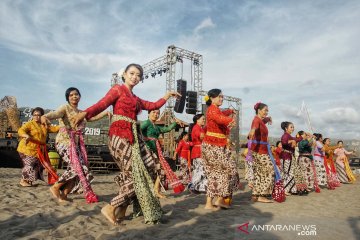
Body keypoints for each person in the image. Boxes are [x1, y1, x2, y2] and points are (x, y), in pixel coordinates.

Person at [73, 63, 180, 225]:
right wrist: (84, 114)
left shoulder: (135, 98)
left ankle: (122, 209)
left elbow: (153, 106)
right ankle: (110, 207)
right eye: (132, 73)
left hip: (134, 138)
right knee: (135, 176)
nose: (135, 77)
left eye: (138, 75)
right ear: (124, 75)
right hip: (119, 136)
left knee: (150, 169)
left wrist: (167, 95)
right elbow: (102, 104)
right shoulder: (118, 89)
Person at [42, 87, 108, 203]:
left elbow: (92, 118)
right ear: (67, 98)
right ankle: (56, 186)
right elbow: (55, 113)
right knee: (76, 168)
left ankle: (64, 194)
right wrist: (45, 116)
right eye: (71, 95)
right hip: (64, 142)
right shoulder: (65, 107)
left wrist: (105, 113)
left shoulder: (81, 113)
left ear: (80, 97)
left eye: (76, 94)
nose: (74, 96)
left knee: (82, 170)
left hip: (76, 145)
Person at [201, 89, 239, 210]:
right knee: (230, 170)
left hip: (215, 146)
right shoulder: (212, 109)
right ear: (212, 98)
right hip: (213, 147)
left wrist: (230, 111)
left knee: (215, 174)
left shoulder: (216, 109)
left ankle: (211, 203)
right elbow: (219, 118)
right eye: (219, 97)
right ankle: (219, 199)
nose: (221, 99)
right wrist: (230, 119)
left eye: (222, 97)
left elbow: (222, 115)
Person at [141, 109, 184, 198]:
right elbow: (137, 130)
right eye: (154, 112)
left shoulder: (156, 127)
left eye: (158, 113)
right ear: (148, 113)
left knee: (161, 171)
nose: (156, 115)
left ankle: (156, 190)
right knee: (149, 171)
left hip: (156, 151)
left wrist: (175, 122)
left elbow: (167, 129)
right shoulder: (146, 123)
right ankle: (150, 191)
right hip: (146, 150)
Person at [17, 107, 59, 187]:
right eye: (34, 115)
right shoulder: (30, 124)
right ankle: (23, 180)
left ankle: (29, 181)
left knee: (37, 165)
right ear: (32, 116)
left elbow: (54, 129)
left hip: (37, 150)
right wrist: (25, 135)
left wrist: (63, 127)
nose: (36, 116)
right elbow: (21, 130)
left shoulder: (44, 125)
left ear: (42, 116)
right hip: (26, 148)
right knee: (29, 164)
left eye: (39, 115)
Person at [246, 102, 276, 203]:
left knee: (259, 173)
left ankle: (255, 195)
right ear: (259, 110)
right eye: (265, 110)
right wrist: (252, 131)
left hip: (258, 150)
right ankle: (262, 195)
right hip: (260, 151)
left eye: (267, 111)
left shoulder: (261, 120)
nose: (266, 112)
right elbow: (255, 126)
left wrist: (268, 118)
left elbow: (263, 122)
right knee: (269, 171)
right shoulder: (256, 120)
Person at [279, 121, 306, 195]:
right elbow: (284, 142)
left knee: (288, 174)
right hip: (286, 156)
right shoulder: (285, 135)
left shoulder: (289, 136)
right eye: (291, 127)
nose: (293, 128)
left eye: (293, 127)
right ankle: (284, 189)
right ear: (286, 128)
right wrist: (291, 141)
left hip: (288, 156)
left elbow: (295, 139)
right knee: (288, 174)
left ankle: (290, 189)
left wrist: (301, 137)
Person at [188, 113, 207, 193]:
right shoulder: (196, 128)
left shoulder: (200, 128)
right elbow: (201, 136)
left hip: (200, 151)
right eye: (203, 119)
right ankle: (192, 185)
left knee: (199, 170)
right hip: (198, 151)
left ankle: (198, 187)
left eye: (204, 119)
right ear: (197, 120)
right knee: (201, 170)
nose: (204, 120)